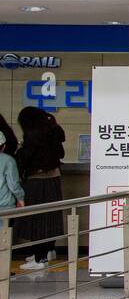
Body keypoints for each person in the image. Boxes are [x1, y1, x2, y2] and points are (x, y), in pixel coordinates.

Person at [15, 107, 65, 270]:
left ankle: (39, 258)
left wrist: (20, 150)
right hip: (53, 180)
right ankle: (47, 252)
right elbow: (60, 154)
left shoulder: (34, 136)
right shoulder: (53, 131)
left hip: (37, 182)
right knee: (50, 218)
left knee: (36, 220)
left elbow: (26, 158)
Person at [0, 114, 24, 217]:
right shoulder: (8, 160)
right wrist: (20, 199)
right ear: (4, 146)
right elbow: (13, 185)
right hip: (5, 205)